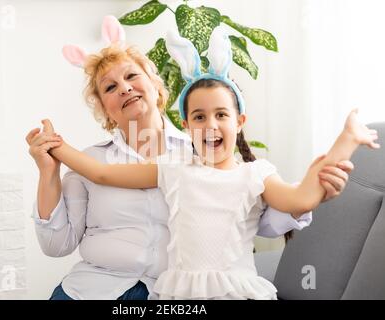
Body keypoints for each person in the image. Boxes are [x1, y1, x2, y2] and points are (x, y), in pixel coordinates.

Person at [32, 26, 377, 300]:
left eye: (132, 77)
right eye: (109, 87)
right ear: (103, 107)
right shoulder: (139, 165)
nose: (124, 88)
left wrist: (321, 183)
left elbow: (267, 213)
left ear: (155, 85)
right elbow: (70, 221)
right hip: (96, 290)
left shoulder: (217, 160)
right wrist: (53, 157)